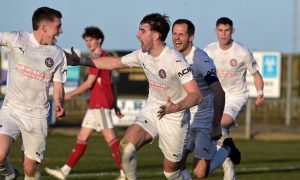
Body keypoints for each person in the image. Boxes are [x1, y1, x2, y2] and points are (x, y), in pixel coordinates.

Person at [65, 13, 202, 180]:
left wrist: (175, 107)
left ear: (156, 35)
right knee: (126, 147)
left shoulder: (175, 60)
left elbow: (196, 95)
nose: (138, 35)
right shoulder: (142, 54)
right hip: (152, 110)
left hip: (175, 117)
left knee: (171, 173)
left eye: (142, 31)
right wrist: (81, 61)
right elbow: (115, 63)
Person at [45, 26, 125, 180]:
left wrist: (70, 94)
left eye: (91, 39)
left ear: (99, 40)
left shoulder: (99, 58)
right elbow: (112, 84)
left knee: (111, 139)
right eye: (86, 40)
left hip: (100, 105)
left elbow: (89, 83)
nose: (88, 43)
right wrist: (115, 105)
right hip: (95, 105)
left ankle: (125, 173)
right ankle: (64, 171)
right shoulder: (103, 57)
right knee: (82, 137)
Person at [0, 6, 66, 180]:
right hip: (11, 110)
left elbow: (58, 85)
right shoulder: (16, 39)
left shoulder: (58, 54)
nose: (61, 31)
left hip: (37, 117)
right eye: (58, 27)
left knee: (30, 169)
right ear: (44, 28)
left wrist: (59, 102)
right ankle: (10, 174)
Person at [172, 19, 241, 179]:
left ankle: (227, 148)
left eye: (181, 34)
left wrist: (216, 125)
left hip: (204, 120)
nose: (176, 38)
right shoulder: (172, 57)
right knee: (174, 166)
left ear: (191, 37)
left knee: (200, 173)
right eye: (174, 34)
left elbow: (219, 92)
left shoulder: (201, 59)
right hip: (185, 120)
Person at [204, 17, 265, 180]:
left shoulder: (242, 52)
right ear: (215, 31)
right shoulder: (208, 51)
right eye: (220, 31)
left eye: (227, 30)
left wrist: (260, 93)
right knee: (219, 135)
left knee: (218, 126)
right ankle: (230, 172)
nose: (223, 34)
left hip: (236, 97)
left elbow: (256, 75)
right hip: (215, 97)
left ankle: (228, 153)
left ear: (233, 31)